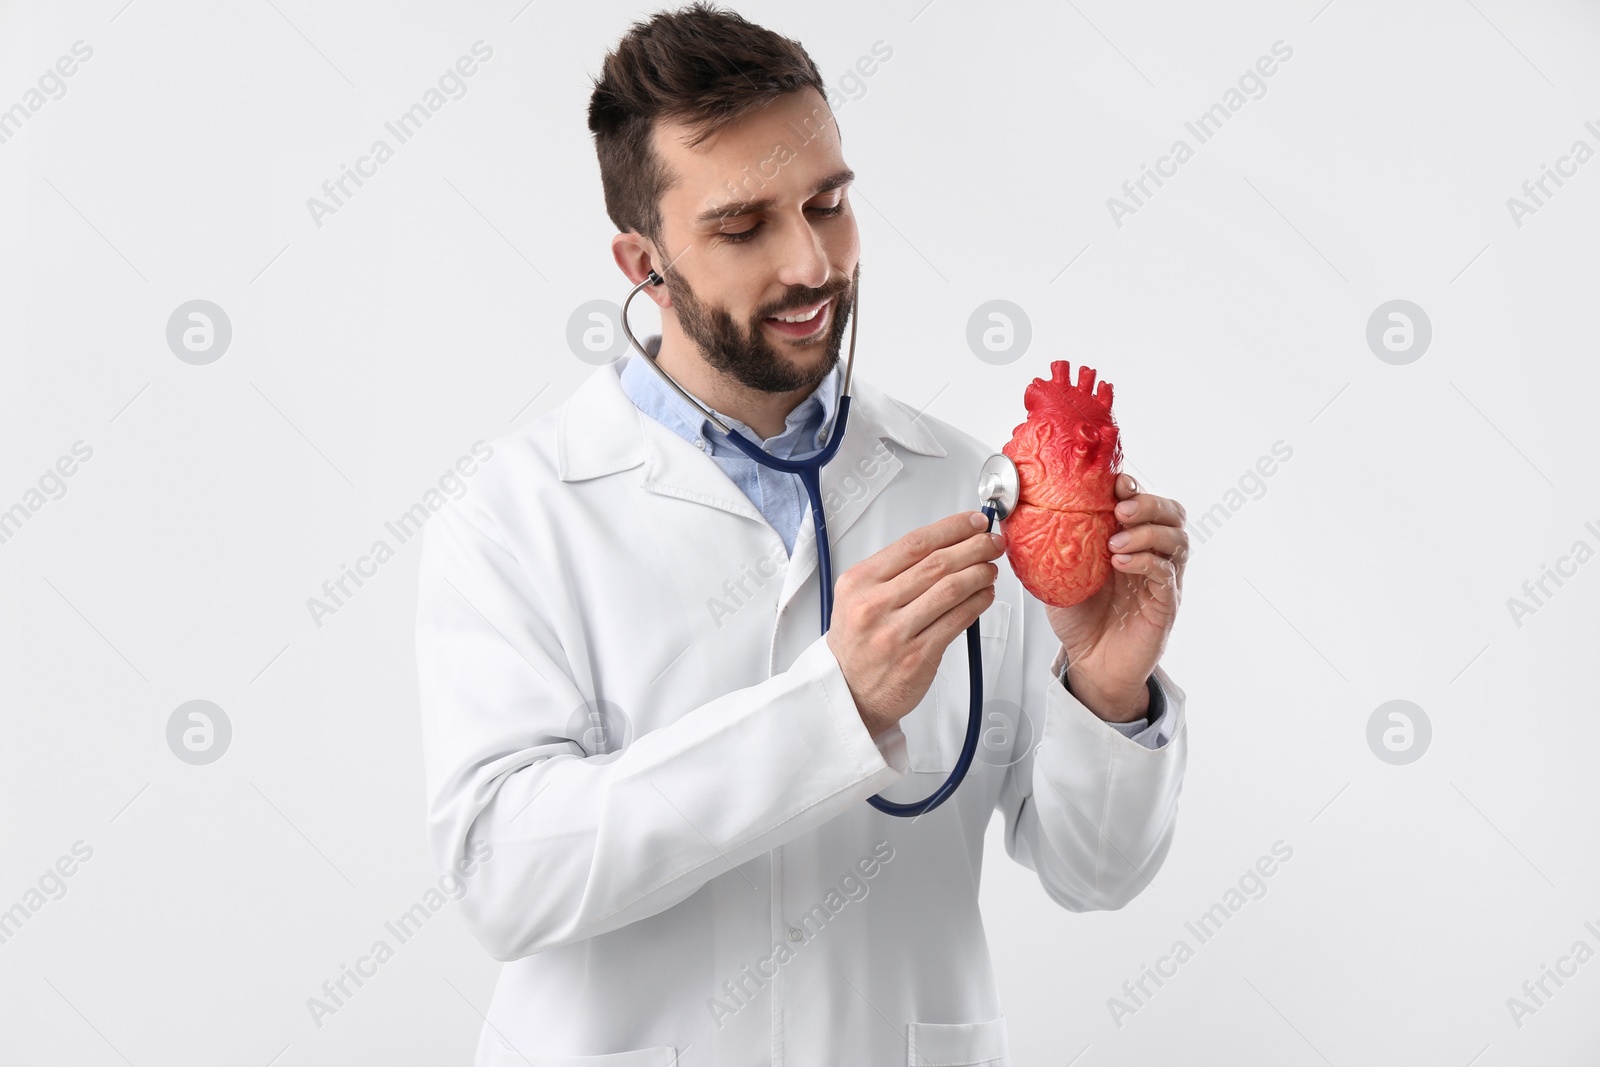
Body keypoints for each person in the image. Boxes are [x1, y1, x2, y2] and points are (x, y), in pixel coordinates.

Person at [414, 4, 1190, 1063]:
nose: (813, 263)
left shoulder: (967, 486)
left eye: (827, 204)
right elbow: (505, 874)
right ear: (642, 261)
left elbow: (1093, 870)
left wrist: (1105, 688)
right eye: (742, 227)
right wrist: (832, 707)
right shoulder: (514, 510)